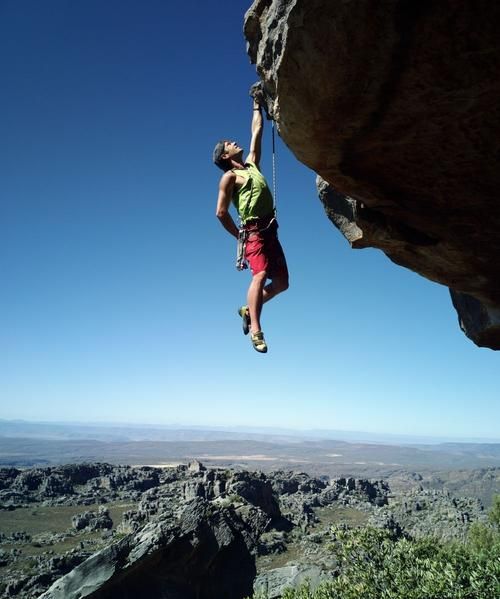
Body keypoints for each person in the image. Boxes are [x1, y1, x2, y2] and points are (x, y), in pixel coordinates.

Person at [213, 96, 289, 354]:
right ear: (225, 155)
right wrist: (239, 236)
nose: (235, 143)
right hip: (253, 233)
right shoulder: (229, 177)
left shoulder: (252, 165)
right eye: (229, 144)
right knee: (260, 274)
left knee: (282, 284)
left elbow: (256, 131)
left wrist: (257, 105)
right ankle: (256, 329)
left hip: (271, 231)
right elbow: (221, 213)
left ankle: (248, 308)